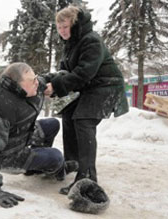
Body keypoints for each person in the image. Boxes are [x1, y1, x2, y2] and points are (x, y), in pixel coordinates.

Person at [0, 62, 78, 208]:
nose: (37, 83)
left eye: (36, 79)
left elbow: (48, 78)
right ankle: (58, 169)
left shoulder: (32, 85)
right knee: (56, 156)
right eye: (33, 81)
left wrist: (66, 77)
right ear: (17, 85)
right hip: (7, 154)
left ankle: (36, 168)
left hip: (20, 134)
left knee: (52, 124)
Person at [44, 5, 129, 195]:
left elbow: (83, 73)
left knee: (83, 120)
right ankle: (73, 162)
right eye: (59, 28)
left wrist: (57, 87)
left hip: (107, 86)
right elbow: (64, 72)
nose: (62, 31)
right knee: (69, 112)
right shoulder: (70, 44)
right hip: (92, 87)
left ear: (74, 25)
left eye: (65, 27)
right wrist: (44, 80)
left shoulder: (91, 41)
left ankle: (87, 177)